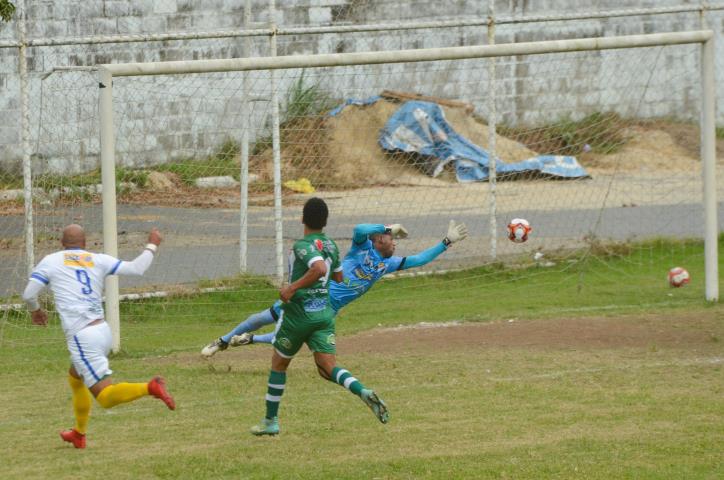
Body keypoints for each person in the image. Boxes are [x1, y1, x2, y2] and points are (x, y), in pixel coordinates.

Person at [201, 219, 468, 355]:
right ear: (378, 241)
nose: (395, 242)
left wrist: (447, 241)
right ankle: (223, 340)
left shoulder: (388, 264)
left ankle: (248, 339)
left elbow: (420, 259)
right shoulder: (361, 247)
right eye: (391, 238)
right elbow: (360, 228)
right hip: (313, 295)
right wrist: (388, 225)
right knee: (264, 317)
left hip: (329, 308)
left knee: (292, 337)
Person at [22, 224, 175, 449]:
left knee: (105, 397)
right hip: (102, 331)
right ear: (85, 243)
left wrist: (35, 310)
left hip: (82, 336)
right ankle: (79, 434)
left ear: (62, 243)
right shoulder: (98, 259)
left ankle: (150, 387)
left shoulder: (51, 260)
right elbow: (136, 268)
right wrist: (152, 244)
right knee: (75, 377)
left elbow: (28, 294)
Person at [250, 197, 388, 436]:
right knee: (327, 368)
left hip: (297, 315)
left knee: (279, 364)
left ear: (303, 219)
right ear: (325, 222)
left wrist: (292, 288)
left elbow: (319, 269)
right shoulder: (332, 246)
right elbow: (337, 278)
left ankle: (271, 421)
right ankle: (362, 391)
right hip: (323, 314)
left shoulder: (302, 245)